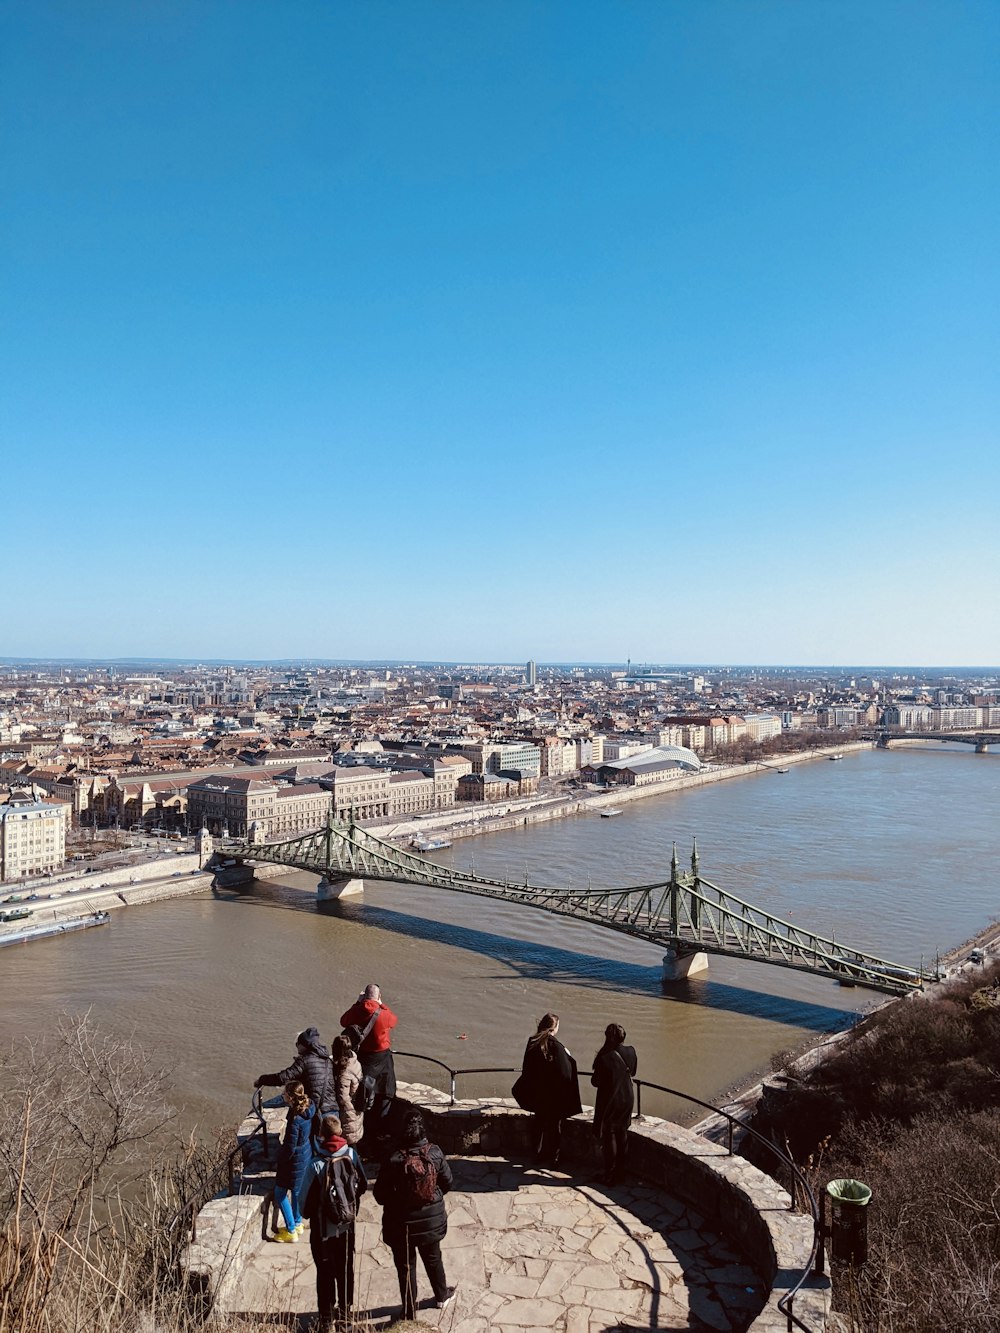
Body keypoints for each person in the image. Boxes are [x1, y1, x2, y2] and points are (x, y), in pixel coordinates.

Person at [373, 1110, 456, 1320]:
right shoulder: (435, 1153)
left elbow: (380, 1194)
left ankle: (409, 1311)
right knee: (433, 1257)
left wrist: (397, 1200)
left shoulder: (393, 1159)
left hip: (401, 1222)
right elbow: (447, 1183)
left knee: (406, 1267)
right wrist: (432, 1196)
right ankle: (441, 1295)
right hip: (431, 1220)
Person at [298, 1113, 368, 1330]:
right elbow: (363, 1185)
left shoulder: (315, 1165)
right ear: (340, 1133)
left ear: (321, 1135)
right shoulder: (351, 1155)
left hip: (323, 1231)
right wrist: (347, 1205)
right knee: (346, 1270)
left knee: (325, 1272)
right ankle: (346, 1316)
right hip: (347, 1227)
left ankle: (326, 1318)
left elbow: (304, 1204)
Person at [512, 1012, 582, 1165]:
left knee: (539, 1123)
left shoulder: (533, 1041)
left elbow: (527, 1068)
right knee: (554, 1127)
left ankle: (537, 1153)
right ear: (554, 1027)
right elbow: (565, 1073)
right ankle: (553, 1157)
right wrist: (568, 1056)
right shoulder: (557, 1046)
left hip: (538, 1093)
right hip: (553, 1095)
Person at [339, 983, 398, 1148]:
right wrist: (381, 1004)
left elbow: (343, 1021)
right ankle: (380, 1134)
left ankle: (364, 1135)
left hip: (364, 1060)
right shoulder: (384, 1014)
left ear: (364, 996)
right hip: (383, 1060)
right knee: (386, 1092)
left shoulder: (357, 1011)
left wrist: (357, 1004)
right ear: (379, 996)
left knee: (363, 1095)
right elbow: (394, 1021)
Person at [254, 1026, 336, 1129]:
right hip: (333, 1110)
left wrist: (262, 1080)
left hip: (317, 1111)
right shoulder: (327, 1060)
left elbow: (283, 1078)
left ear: (304, 1046)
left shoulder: (304, 1061)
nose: (296, 1046)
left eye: (298, 1044)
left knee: (312, 1142)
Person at [591, 1022, 638, 1183]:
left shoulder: (604, 1057)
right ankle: (621, 1173)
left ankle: (609, 1175)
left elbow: (595, 1082)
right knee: (622, 1131)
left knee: (609, 1133)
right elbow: (633, 1071)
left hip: (611, 1100)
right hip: (628, 1097)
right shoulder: (631, 1051)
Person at [272, 1080, 314, 1242]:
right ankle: (298, 1223)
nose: (282, 1095)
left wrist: (279, 1159)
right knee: (296, 1191)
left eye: (284, 1093)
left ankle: (291, 1231)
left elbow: (289, 1147)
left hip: (294, 1160)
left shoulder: (295, 1120)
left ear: (290, 1097)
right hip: (305, 1154)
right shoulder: (308, 1108)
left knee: (280, 1192)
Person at [330, 1032, 365, 1147]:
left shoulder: (344, 1073)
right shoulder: (355, 1061)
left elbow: (343, 1098)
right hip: (357, 1108)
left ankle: (352, 1164)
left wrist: (348, 1114)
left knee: (348, 1144)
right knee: (353, 1143)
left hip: (349, 1113)